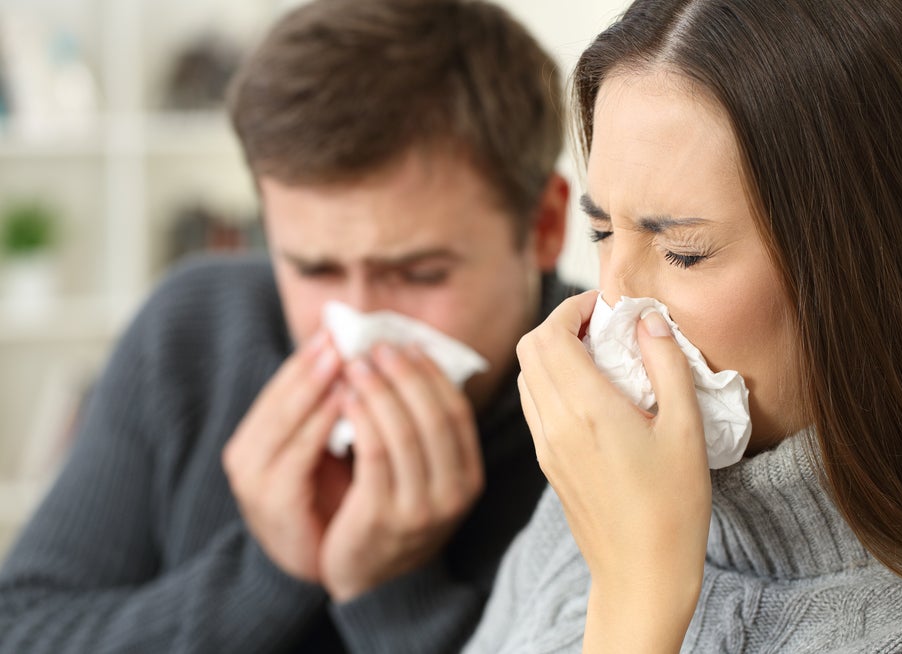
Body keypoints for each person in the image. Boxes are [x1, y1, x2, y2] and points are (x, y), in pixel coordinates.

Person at [0, 0, 574, 652]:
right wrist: (265, 573)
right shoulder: (192, 332)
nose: (358, 324)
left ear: (544, 227)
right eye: (314, 269)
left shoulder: (621, 403)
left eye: (420, 273)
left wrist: (395, 592)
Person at [463, 0, 902, 651]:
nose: (614, 303)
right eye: (601, 232)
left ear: (875, 266)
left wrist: (637, 597)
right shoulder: (599, 502)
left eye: (683, 250)